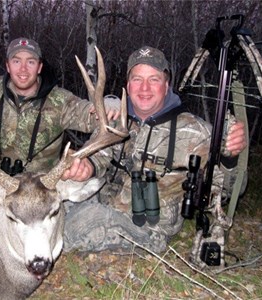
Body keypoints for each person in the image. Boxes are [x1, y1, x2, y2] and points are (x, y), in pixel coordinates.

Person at [62, 46, 247, 254]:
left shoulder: (195, 132)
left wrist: (230, 158)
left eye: (154, 79)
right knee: (50, 207)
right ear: (128, 85)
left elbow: (231, 190)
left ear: (166, 85)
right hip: (105, 204)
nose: (144, 88)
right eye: (137, 79)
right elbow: (98, 157)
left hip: (148, 231)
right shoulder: (116, 121)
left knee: (79, 224)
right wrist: (86, 166)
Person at [0, 37, 120, 197]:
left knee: (81, 186)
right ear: (7, 65)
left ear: (39, 67)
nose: (23, 69)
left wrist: (109, 104)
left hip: (40, 184)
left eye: (30, 62)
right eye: (16, 61)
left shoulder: (60, 101)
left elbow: (95, 116)